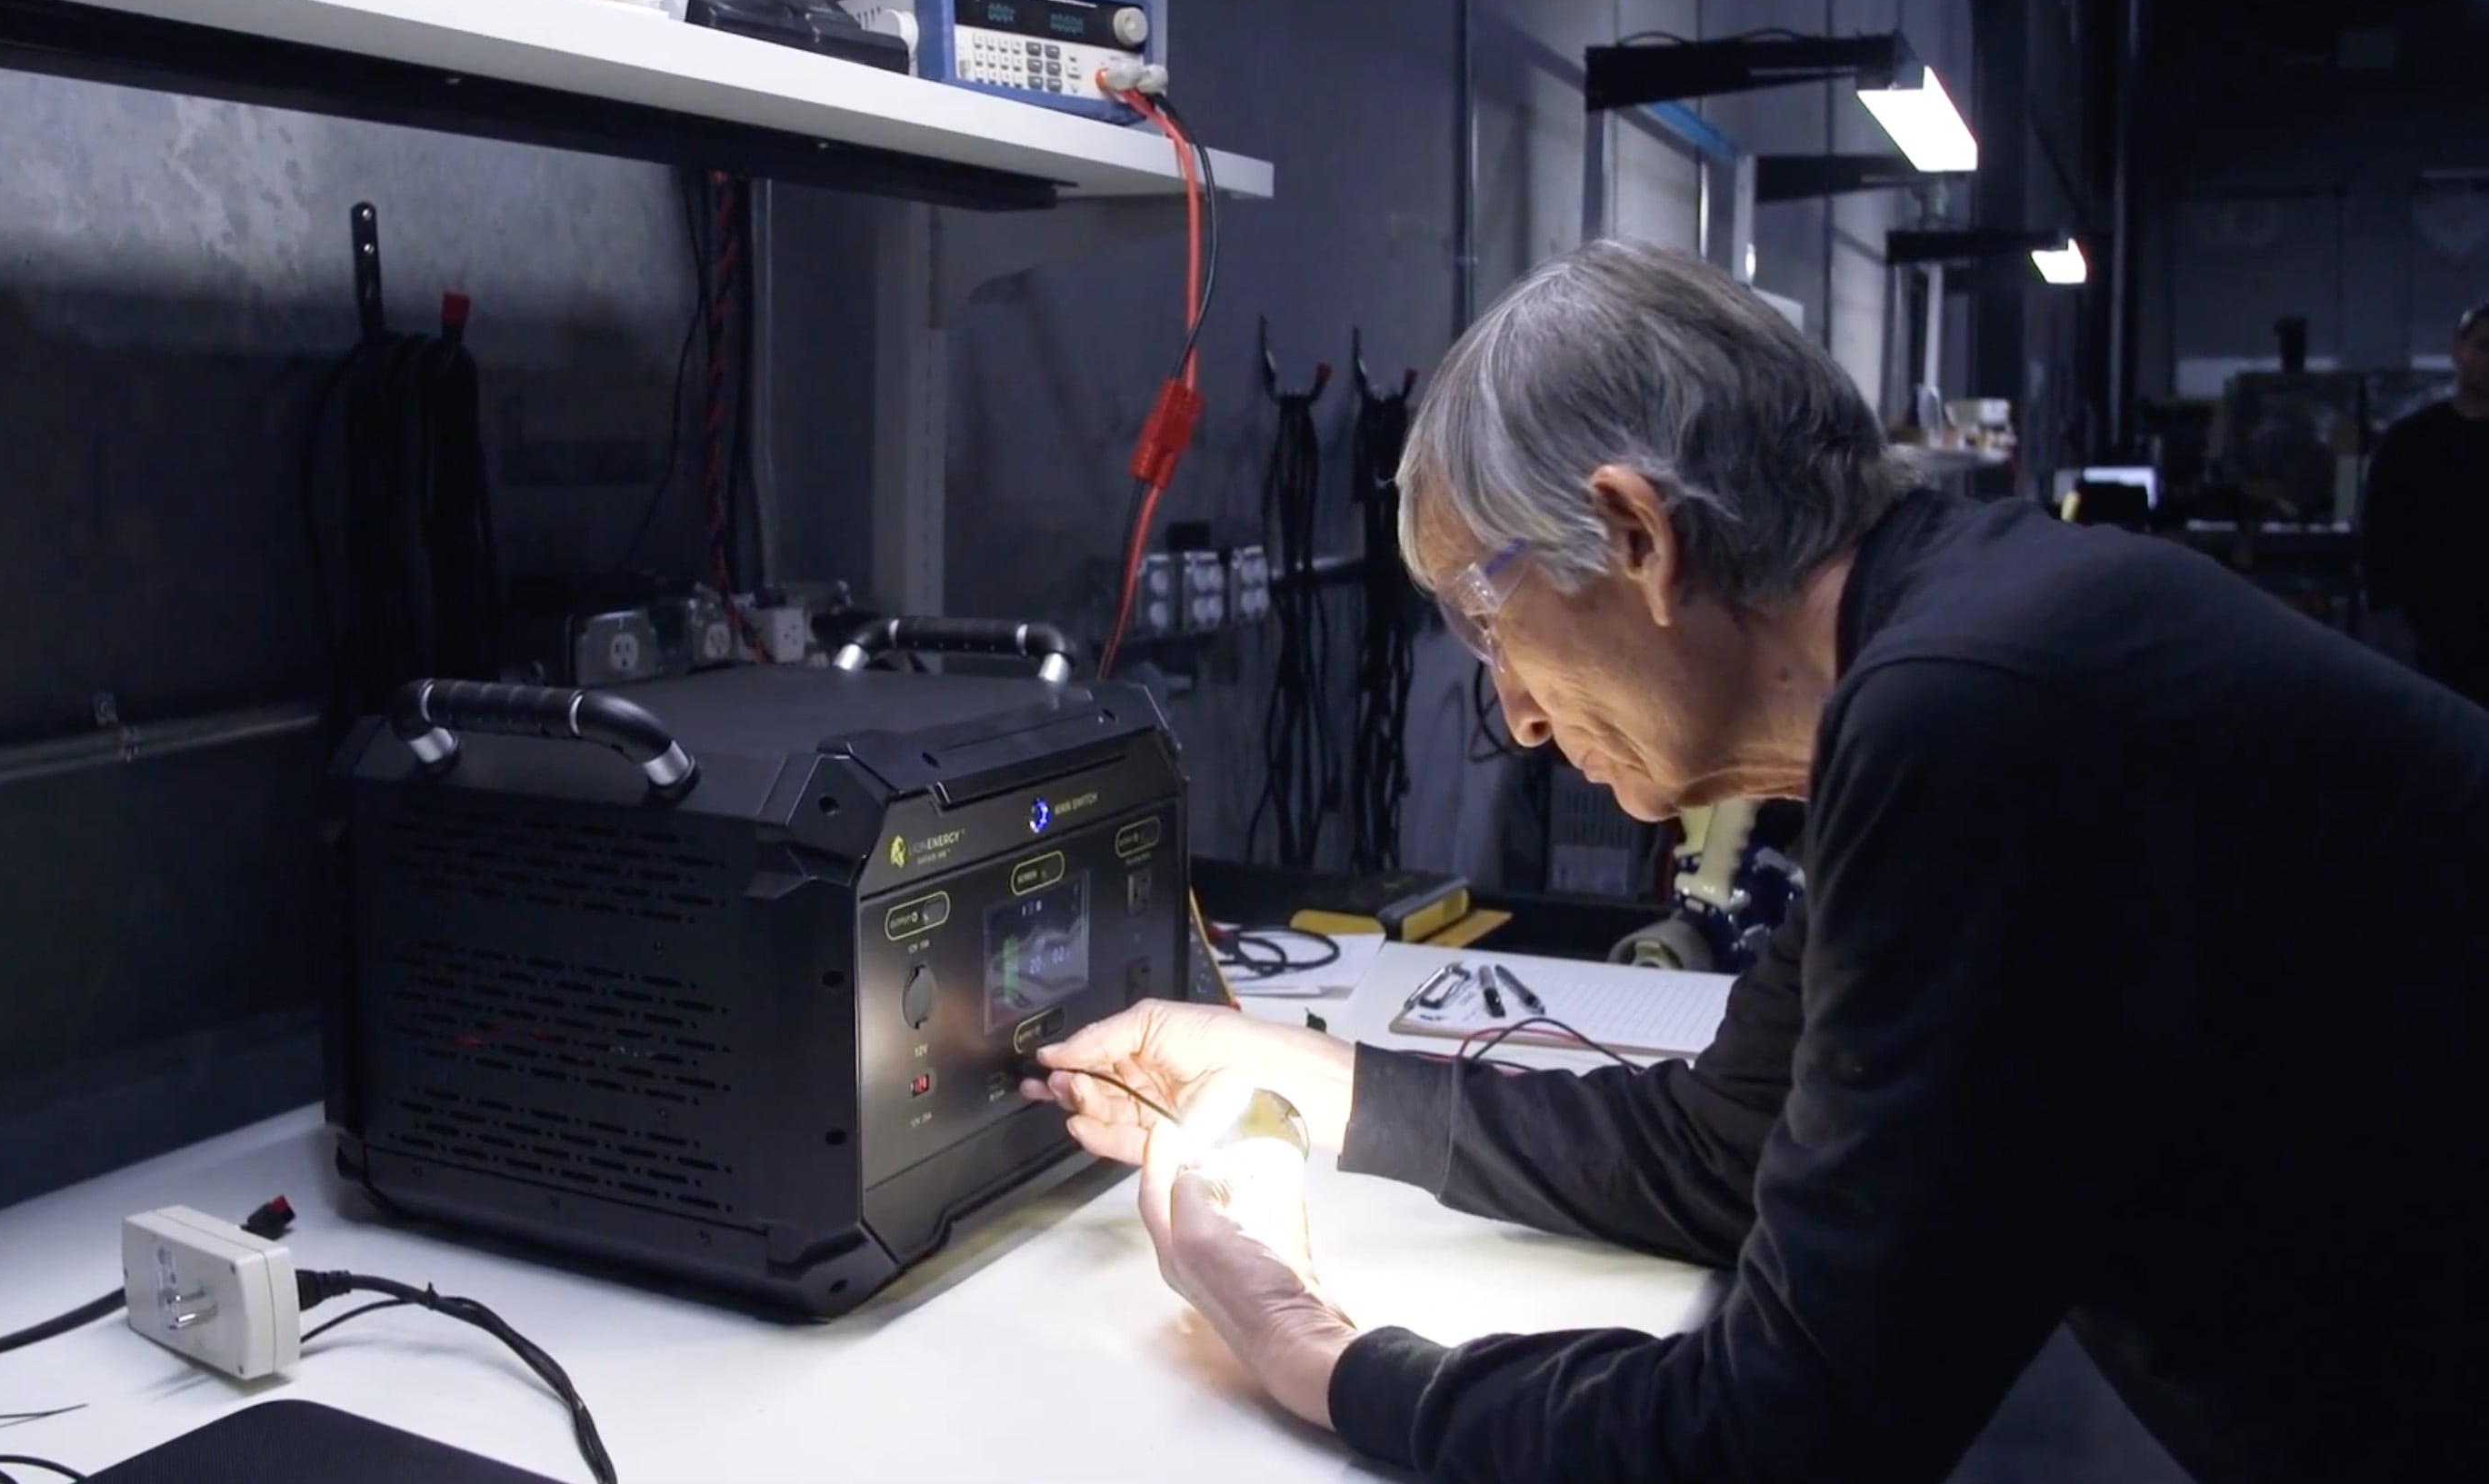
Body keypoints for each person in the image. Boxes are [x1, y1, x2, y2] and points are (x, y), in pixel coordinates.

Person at [1025, 241, 2484, 1483]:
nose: (1514, 714)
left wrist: (1312, 1352)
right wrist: (1294, 1072)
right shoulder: (1957, 644)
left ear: (1635, 534)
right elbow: (1718, 1152)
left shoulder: (1975, 716)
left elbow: (1785, 1436)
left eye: (1488, 622)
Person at [2362, 303, 2489, 707]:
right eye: (2485, 346)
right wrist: (2392, 627)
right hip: (2433, 641)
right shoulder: (2411, 444)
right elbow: (2379, 539)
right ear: (2458, 351)